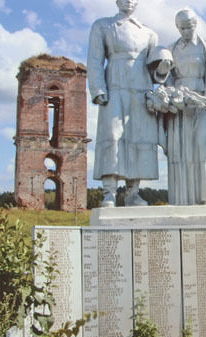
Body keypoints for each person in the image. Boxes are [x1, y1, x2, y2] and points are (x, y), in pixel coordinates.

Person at [87, 0, 163, 207]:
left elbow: (154, 69)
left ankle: (133, 193)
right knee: (113, 135)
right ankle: (109, 192)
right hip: (114, 84)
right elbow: (94, 60)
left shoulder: (149, 33)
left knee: (138, 137)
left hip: (141, 88)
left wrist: (162, 70)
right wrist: (98, 89)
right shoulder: (103, 25)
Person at [164, 8, 206, 205]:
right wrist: (174, 94)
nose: (186, 31)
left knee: (203, 148)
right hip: (180, 104)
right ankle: (182, 199)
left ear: (196, 25)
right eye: (182, 28)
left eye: (189, 27)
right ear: (177, 28)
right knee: (181, 150)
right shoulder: (172, 48)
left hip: (202, 102)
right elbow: (167, 77)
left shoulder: (205, 46)